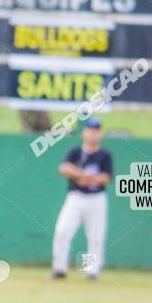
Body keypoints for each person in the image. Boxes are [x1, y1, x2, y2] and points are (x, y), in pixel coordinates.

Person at [51, 118, 113, 280]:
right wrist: (85, 175)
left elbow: (105, 178)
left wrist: (83, 178)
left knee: (96, 237)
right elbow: (64, 168)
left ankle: (92, 271)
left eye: (96, 131)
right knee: (63, 231)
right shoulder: (75, 152)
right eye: (90, 131)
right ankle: (60, 268)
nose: (93, 134)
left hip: (96, 199)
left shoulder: (104, 155)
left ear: (100, 134)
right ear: (84, 133)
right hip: (76, 198)